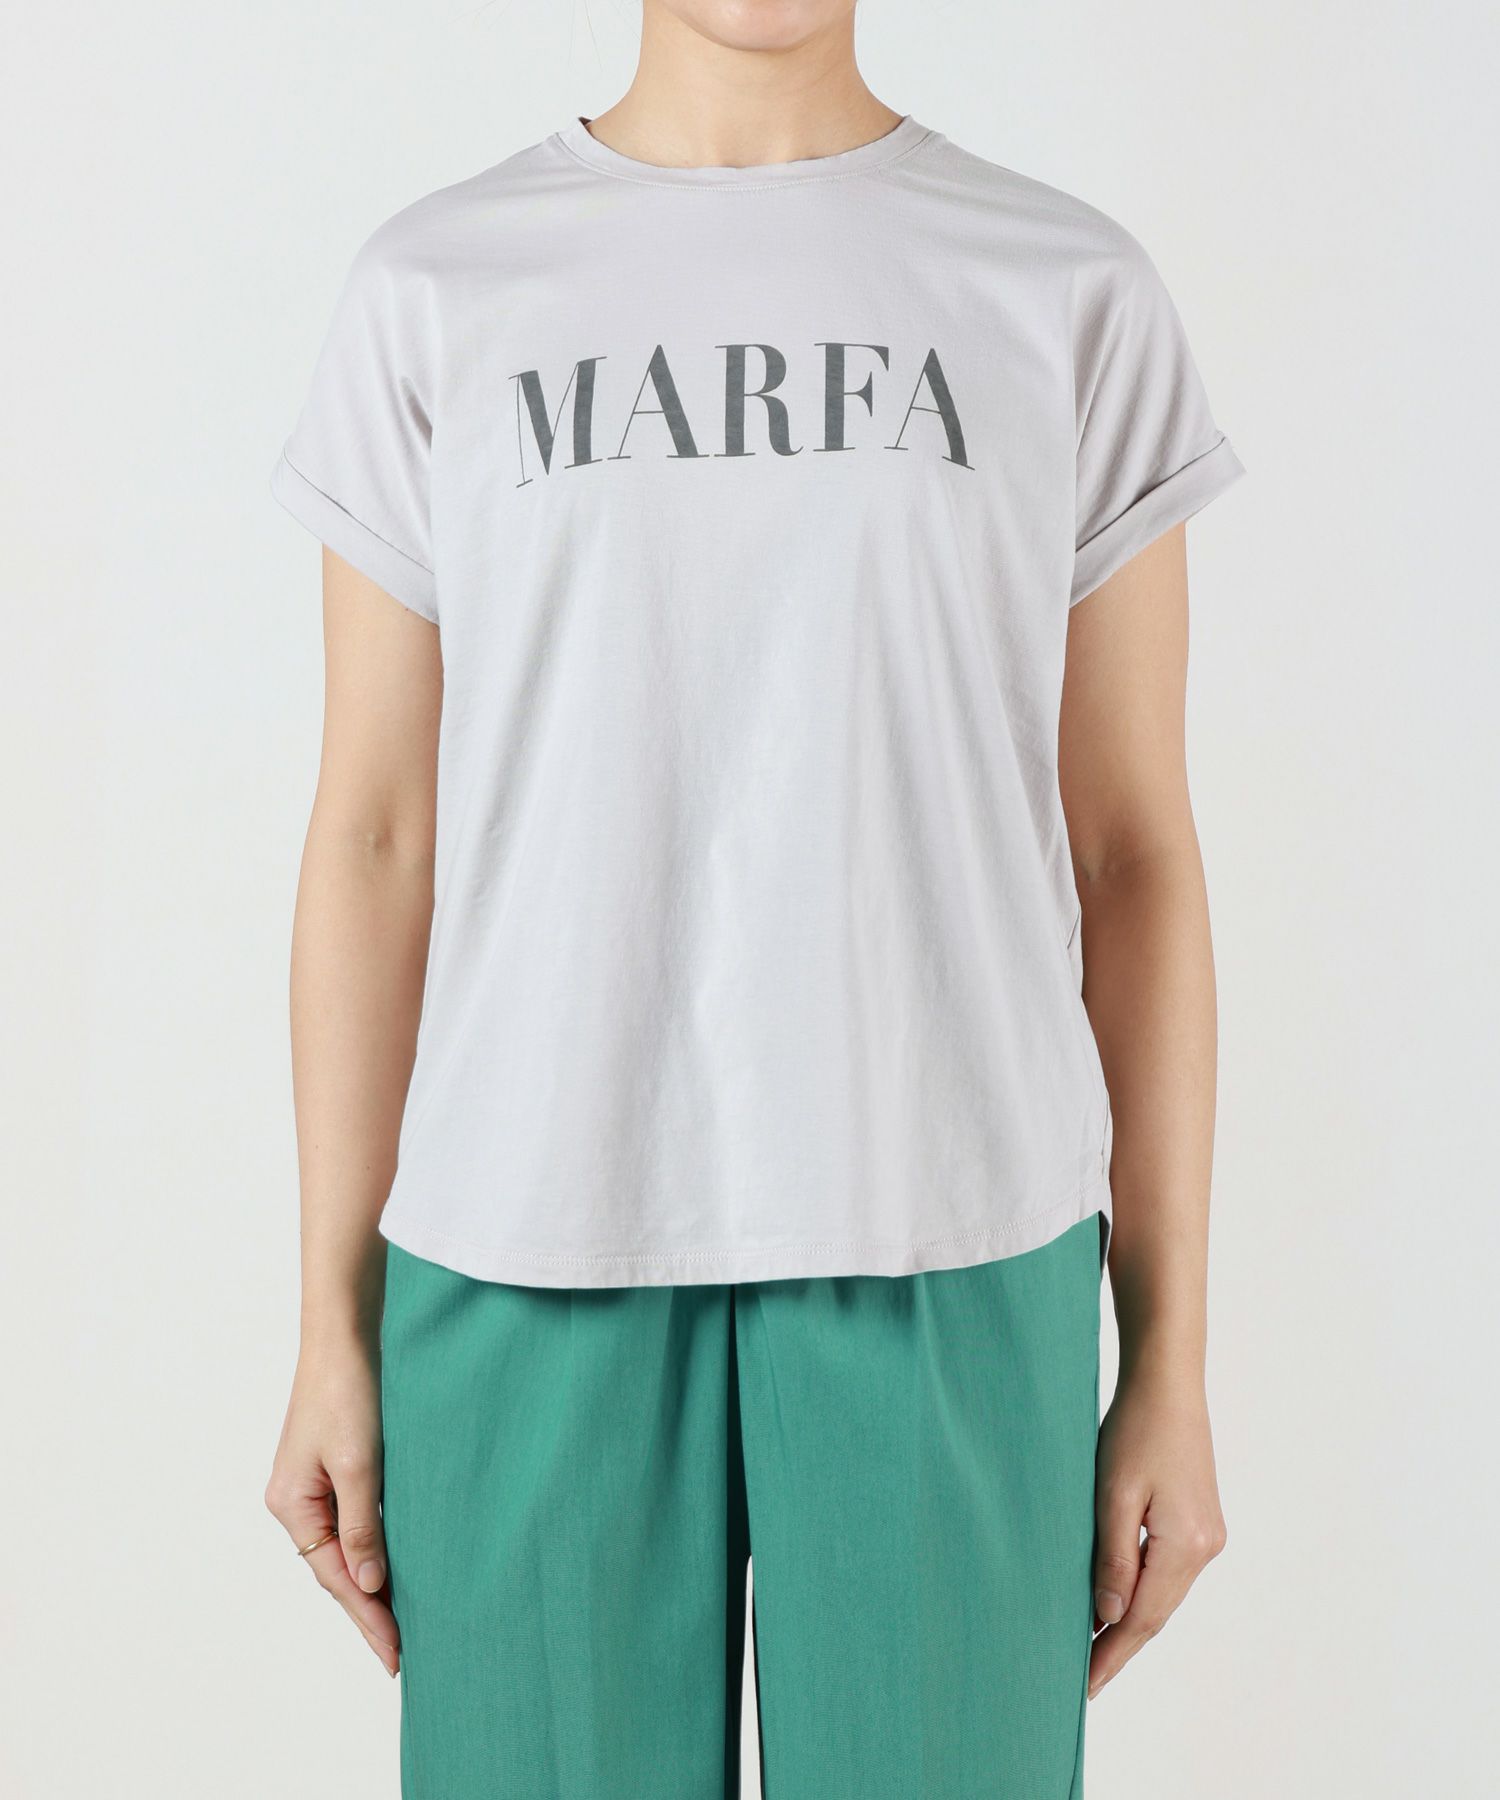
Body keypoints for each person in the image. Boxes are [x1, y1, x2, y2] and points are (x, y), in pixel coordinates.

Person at [264, 2, 1241, 1793]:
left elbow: (1135, 852)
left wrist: (1169, 1354)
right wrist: (331, 1324)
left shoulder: (1062, 286)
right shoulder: (436, 286)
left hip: (954, 1231)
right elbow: (376, 838)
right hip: (525, 1236)